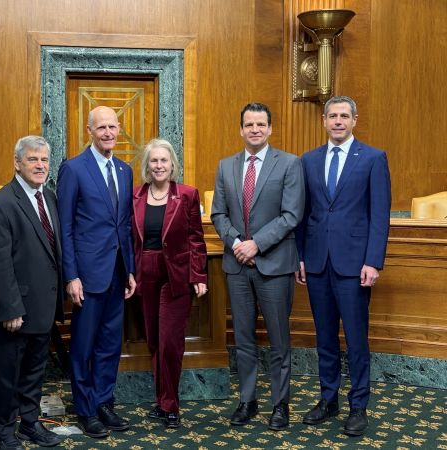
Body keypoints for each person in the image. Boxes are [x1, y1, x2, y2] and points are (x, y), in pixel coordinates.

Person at [295, 95, 391, 437]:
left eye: (344, 116)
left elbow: (379, 215)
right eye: (332, 116)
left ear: (354, 120)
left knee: (355, 338)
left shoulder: (373, 158)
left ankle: (359, 405)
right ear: (324, 121)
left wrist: (373, 261)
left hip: (354, 266)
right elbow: (304, 215)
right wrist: (301, 256)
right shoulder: (308, 161)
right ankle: (327, 398)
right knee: (324, 337)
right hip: (318, 262)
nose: (337, 121)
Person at [211, 103, 304, 431]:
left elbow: (291, 214)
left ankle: (280, 405)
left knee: (279, 341)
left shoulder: (290, 164)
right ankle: (247, 401)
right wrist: (237, 243)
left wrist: (257, 244)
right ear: (241, 129)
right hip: (237, 266)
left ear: (270, 128)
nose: (254, 129)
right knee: (244, 339)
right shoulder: (225, 167)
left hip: (274, 266)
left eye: (261, 124)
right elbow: (218, 214)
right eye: (249, 124)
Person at [56, 105, 136, 438]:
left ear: (119, 130)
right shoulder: (73, 169)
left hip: (117, 274)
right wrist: (71, 276)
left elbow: (125, 225)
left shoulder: (125, 169)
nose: (107, 133)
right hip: (87, 277)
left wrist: (130, 269)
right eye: (101, 127)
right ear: (89, 130)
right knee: (83, 346)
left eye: (112, 127)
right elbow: (65, 227)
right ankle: (86, 410)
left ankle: (105, 403)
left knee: (109, 345)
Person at [0, 136, 64, 449]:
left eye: (44, 159)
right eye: (33, 159)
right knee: (4, 376)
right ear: (17, 163)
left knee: (33, 373)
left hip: (43, 306)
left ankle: (30, 423)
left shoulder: (50, 198)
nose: (40, 165)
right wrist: (11, 307)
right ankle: (1, 431)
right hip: (13, 310)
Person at [131, 138, 207, 428]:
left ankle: (171, 404)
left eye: (164, 160)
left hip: (175, 273)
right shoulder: (135, 196)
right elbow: (129, 239)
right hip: (145, 271)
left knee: (171, 342)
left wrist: (198, 275)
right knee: (153, 340)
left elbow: (195, 239)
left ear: (172, 164)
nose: (159, 165)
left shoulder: (187, 195)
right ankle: (161, 400)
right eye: (154, 161)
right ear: (147, 166)